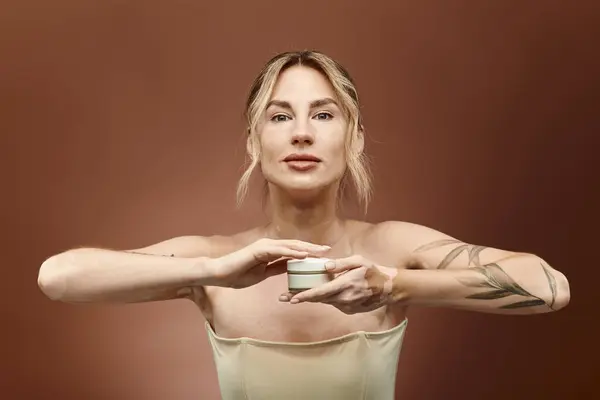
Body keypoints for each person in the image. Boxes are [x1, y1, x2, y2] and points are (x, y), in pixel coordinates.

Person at [37, 50, 571, 399]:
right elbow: (58, 278)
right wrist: (215, 271)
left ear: (354, 139)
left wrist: (393, 284)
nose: (301, 134)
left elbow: (550, 287)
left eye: (323, 114)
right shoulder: (216, 260)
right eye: (279, 115)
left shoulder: (391, 247)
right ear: (255, 143)